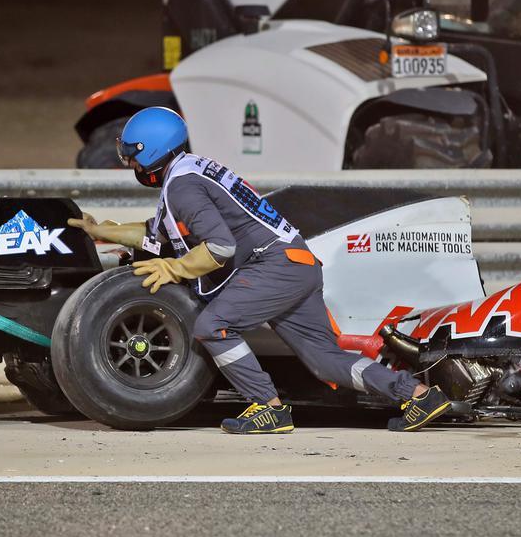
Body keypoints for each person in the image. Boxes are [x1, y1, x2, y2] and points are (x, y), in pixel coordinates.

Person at [67, 107, 465, 434]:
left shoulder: (181, 187)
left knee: (213, 326)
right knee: (326, 360)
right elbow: (156, 233)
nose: (130, 162)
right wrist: (101, 228)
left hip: (274, 265)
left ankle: (268, 407)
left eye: (133, 153)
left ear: (153, 151)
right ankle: (417, 395)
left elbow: (219, 248)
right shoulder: (190, 172)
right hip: (297, 263)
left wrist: (175, 267)